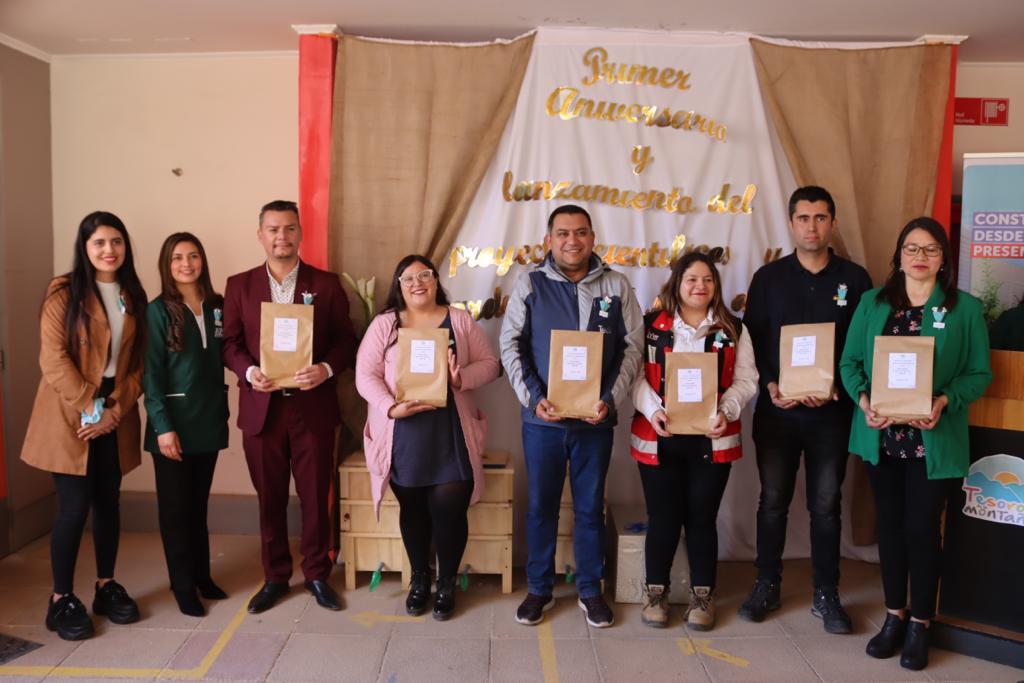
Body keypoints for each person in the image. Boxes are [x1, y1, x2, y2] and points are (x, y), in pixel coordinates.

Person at [840, 217, 991, 670]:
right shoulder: (871, 303)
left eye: (930, 249)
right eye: (911, 248)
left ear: (943, 258)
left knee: (922, 531)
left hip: (932, 439)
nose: (920, 257)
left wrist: (946, 400)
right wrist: (864, 400)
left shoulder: (964, 309)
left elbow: (979, 373)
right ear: (899, 256)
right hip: (882, 436)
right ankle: (893, 616)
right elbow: (850, 363)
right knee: (890, 528)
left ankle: (921, 622)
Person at [500, 204, 643, 628]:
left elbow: (633, 348)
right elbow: (511, 345)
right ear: (549, 240)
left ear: (592, 238)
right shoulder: (530, 283)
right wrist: (533, 397)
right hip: (543, 419)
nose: (572, 241)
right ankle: (539, 590)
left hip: (595, 420)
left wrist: (610, 397)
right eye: (562, 233)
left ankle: (589, 590)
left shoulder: (616, 285)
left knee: (589, 508)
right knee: (541, 506)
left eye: (580, 233)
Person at [739, 186, 872, 633]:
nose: (811, 226)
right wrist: (773, 385)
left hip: (831, 416)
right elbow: (751, 341)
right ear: (791, 223)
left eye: (820, 217)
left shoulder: (855, 280)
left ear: (832, 223)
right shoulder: (768, 278)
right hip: (778, 413)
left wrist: (837, 387)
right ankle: (766, 584)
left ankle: (826, 593)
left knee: (826, 504)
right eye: (803, 218)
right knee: (772, 501)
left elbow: (864, 347)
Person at [222, 200, 356, 614]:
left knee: (316, 495)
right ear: (260, 235)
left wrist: (326, 368)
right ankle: (276, 576)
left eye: (289, 229)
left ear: (300, 233)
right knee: (270, 498)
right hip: (262, 409)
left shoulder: (326, 284)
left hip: (311, 407)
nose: (282, 237)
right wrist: (247, 372)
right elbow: (229, 344)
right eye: (273, 229)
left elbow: (346, 341)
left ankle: (317, 573)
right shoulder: (239, 285)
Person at [21, 211, 147, 640]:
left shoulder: (133, 292)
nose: (109, 250)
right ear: (85, 248)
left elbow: (139, 365)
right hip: (69, 411)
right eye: (99, 243)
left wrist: (114, 409)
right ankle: (60, 601)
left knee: (108, 503)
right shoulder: (64, 292)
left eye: (116, 241)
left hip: (114, 409)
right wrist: (92, 409)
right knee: (74, 509)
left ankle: (105, 587)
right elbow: (52, 360)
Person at [355, 255, 499, 620]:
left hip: (450, 431)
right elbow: (365, 376)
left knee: (450, 510)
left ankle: (446, 581)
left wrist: (458, 378)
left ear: (436, 280)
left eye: (425, 275)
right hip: (404, 433)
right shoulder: (385, 325)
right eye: (408, 278)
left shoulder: (460, 320)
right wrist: (390, 407)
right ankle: (420, 578)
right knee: (414, 510)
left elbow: (490, 365)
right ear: (398, 285)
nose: (417, 283)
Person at [630, 252, 758, 630]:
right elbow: (635, 377)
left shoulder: (733, 328)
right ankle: (656, 592)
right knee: (663, 518)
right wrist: (653, 410)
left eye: (707, 280)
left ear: (715, 285)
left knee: (702, 519)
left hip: (710, 439)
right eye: (691, 279)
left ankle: (703, 596)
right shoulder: (651, 325)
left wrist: (728, 411)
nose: (700, 286)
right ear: (676, 284)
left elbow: (746, 380)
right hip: (660, 436)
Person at [143, 233, 229, 616]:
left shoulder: (217, 306)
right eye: (177, 257)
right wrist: (162, 426)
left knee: (198, 507)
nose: (186, 263)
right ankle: (182, 587)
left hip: (208, 421)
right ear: (167, 264)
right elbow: (151, 375)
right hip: (173, 426)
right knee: (176, 512)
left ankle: (202, 577)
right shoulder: (158, 311)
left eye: (193, 255)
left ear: (203, 261)